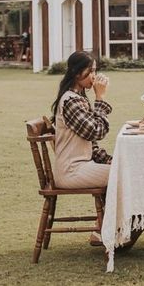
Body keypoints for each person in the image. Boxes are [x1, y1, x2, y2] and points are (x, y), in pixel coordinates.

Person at [51, 51, 112, 190]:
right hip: (71, 171)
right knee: (123, 174)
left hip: (82, 166)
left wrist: (109, 160)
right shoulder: (70, 101)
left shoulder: (79, 99)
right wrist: (100, 98)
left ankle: (116, 212)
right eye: (90, 71)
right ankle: (119, 212)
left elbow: (91, 145)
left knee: (122, 169)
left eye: (95, 71)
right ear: (77, 73)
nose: (94, 76)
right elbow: (96, 132)